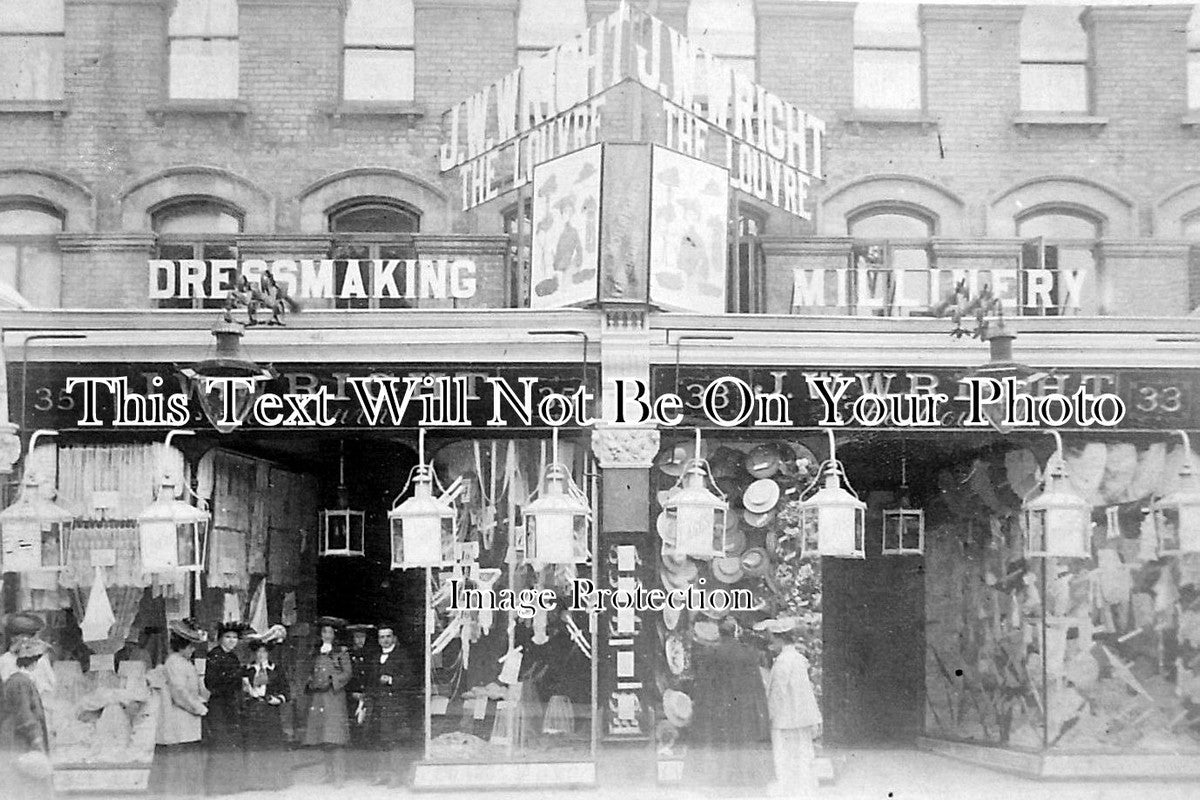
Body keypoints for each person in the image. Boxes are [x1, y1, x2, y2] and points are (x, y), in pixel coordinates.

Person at [689, 616, 774, 791]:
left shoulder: (710, 654)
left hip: (719, 713)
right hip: (744, 712)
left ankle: (722, 784)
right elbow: (758, 689)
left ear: (719, 632)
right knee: (742, 749)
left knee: (721, 749)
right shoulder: (749, 654)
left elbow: (704, 690)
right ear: (735, 632)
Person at [150, 619, 209, 797]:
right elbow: (179, 693)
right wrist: (199, 708)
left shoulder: (186, 663)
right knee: (177, 767)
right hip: (177, 721)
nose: (192, 650)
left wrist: (203, 698)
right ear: (181, 646)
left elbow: (197, 688)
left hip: (187, 723)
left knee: (187, 765)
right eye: (190, 647)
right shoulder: (174, 662)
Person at [766, 618, 822, 799]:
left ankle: (788, 794)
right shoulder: (798, 659)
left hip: (785, 719)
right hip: (802, 717)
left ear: (780, 639)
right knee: (804, 759)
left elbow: (777, 693)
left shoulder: (782, 662)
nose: (771, 643)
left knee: (785, 762)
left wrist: (770, 715)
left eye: (772, 639)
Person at [0, 638, 53, 800]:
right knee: (26, 785)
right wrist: (35, 739)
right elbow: (24, 713)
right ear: (35, 663)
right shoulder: (20, 683)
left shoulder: (20, 681)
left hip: (19, 741)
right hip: (20, 742)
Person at [363, 622, 414, 787]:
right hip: (378, 704)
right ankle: (382, 774)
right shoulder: (375, 658)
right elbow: (370, 681)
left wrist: (392, 680)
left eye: (388, 637)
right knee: (380, 740)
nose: (385, 640)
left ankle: (396, 776)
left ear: (394, 638)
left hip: (395, 704)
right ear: (378, 640)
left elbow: (411, 679)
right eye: (382, 637)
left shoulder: (402, 655)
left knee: (394, 741)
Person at [303, 616, 352, 786]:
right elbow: (310, 672)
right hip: (318, 698)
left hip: (334, 698)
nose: (327, 635)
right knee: (323, 737)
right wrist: (311, 681)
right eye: (324, 632)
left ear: (335, 635)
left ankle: (339, 777)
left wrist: (332, 681)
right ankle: (328, 774)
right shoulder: (316, 652)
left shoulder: (341, 652)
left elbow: (347, 673)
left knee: (335, 738)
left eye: (330, 632)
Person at [241, 634, 289, 790]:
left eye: (264, 652)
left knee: (272, 745)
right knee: (253, 745)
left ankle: (274, 781)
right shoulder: (247, 671)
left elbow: (286, 691)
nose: (261, 655)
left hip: (270, 711)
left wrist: (278, 699)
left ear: (268, 653)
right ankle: (253, 782)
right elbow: (240, 692)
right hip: (252, 711)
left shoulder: (276, 670)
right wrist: (247, 691)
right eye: (258, 652)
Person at [204, 621, 247, 795]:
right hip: (219, 705)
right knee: (220, 744)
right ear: (220, 638)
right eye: (227, 637)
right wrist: (233, 678)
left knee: (231, 744)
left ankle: (231, 785)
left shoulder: (233, 657)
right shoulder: (214, 655)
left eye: (235, 638)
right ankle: (216, 787)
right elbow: (211, 683)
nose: (231, 641)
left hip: (231, 704)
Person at [0, 612, 57, 696]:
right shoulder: (5, 660)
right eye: (20, 636)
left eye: (31, 636)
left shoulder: (41, 660)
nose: (26, 641)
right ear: (13, 638)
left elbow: (51, 686)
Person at [345, 623, 377, 762]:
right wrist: (351, 693)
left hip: (368, 697)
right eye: (357, 637)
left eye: (362, 637)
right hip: (351, 698)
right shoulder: (347, 655)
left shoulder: (372, 656)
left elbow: (374, 676)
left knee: (368, 731)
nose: (359, 640)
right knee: (353, 731)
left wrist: (367, 693)